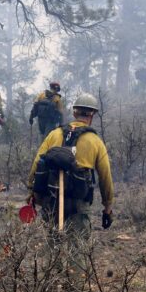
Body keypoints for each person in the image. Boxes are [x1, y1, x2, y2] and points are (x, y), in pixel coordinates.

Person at [27, 93, 114, 279]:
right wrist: (108, 207)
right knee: (77, 248)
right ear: (92, 115)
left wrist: (31, 191)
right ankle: (75, 291)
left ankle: (49, 286)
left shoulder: (54, 134)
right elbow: (105, 176)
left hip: (51, 199)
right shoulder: (95, 141)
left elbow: (37, 163)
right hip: (78, 203)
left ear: (74, 112)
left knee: (52, 245)